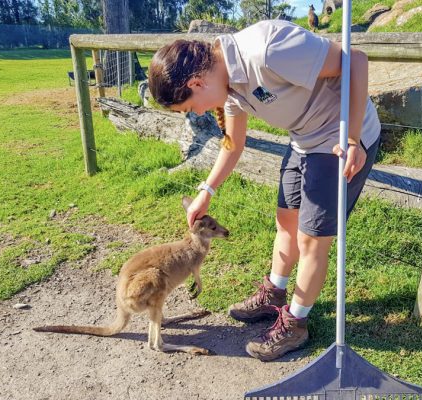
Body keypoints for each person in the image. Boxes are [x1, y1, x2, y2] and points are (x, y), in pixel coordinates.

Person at [148, 19, 381, 361]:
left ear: (196, 83)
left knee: (311, 238)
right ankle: (275, 292)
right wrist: (206, 190)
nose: (197, 113)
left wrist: (352, 138)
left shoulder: (267, 50)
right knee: (285, 222)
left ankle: (295, 324)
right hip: (303, 139)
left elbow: (356, 60)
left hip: (338, 140)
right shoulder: (226, 84)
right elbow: (234, 143)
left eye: (190, 107)